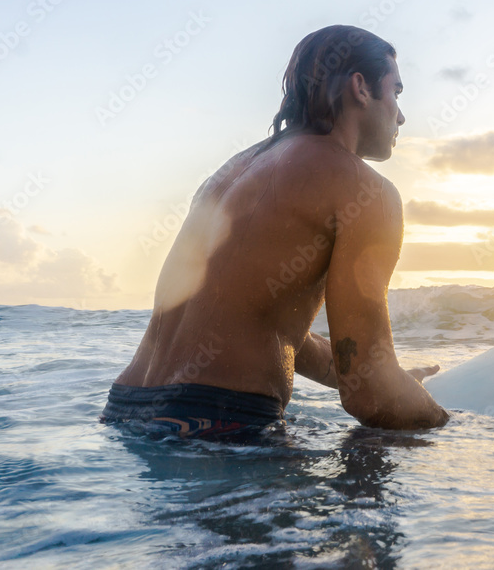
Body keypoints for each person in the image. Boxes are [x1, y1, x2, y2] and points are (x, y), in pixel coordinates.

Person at [101, 25, 450, 440]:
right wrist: (454, 428)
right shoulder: (365, 190)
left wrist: (383, 377)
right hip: (222, 423)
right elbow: (371, 396)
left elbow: (266, 325)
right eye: (396, 92)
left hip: (125, 414)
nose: (401, 114)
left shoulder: (232, 172)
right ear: (360, 87)